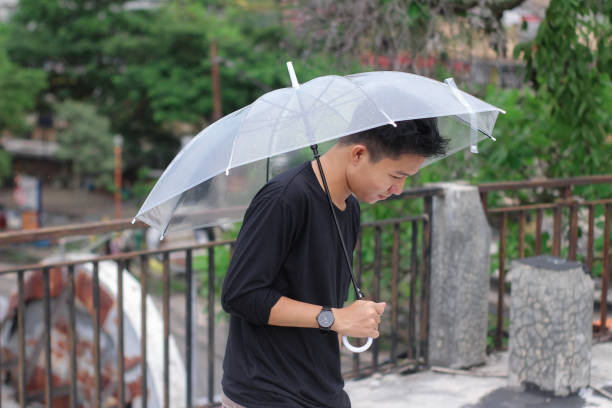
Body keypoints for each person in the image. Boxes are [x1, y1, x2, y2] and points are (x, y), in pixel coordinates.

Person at [220, 118, 448, 408]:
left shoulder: (349, 206)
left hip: (322, 390)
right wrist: (334, 318)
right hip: (265, 394)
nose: (399, 189)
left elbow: (318, 292)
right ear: (358, 155)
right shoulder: (284, 197)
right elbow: (240, 295)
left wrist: (346, 319)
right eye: (395, 176)